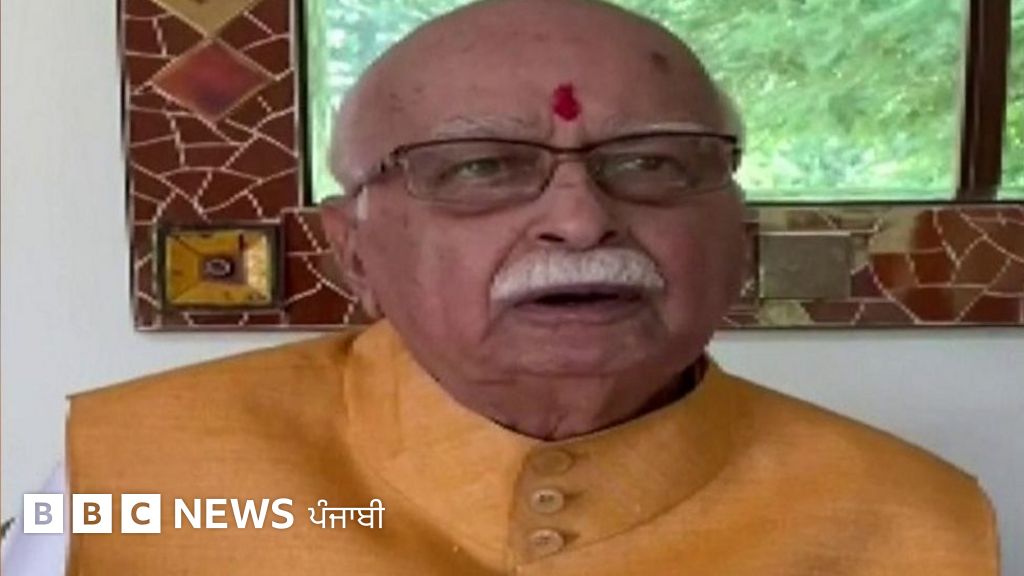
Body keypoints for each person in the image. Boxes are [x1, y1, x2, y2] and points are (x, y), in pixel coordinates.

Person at [2, 0, 998, 574]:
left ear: (735, 236)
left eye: (654, 162)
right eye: (478, 167)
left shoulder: (918, 523)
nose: (580, 219)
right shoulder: (118, 481)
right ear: (354, 251)